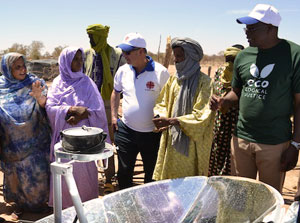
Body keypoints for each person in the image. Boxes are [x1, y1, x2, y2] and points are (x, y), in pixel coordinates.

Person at [210, 4, 300, 192]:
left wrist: (295, 144)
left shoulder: (294, 54)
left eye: (252, 28)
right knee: (240, 197)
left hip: (274, 142)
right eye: (246, 28)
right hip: (241, 138)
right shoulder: (243, 56)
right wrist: (223, 101)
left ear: (271, 28)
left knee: (268, 198)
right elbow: (237, 92)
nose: (246, 32)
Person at [46, 47, 110, 208]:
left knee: (84, 176)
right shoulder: (57, 83)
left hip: (85, 140)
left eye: (81, 59)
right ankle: (66, 212)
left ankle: (86, 211)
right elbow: (50, 108)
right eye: (75, 59)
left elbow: (98, 110)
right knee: (65, 174)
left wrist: (84, 114)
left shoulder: (87, 83)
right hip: (66, 140)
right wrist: (70, 110)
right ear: (65, 61)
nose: (79, 62)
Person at [111, 32, 169, 189]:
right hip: (126, 130)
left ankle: (149, 209)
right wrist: (113, 117)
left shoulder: (161, 72)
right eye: (123, 51)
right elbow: (116, 92)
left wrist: (164, 118)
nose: (124, 55)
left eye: (128, 52)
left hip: (152, 134)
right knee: (123, 173)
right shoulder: (123, 71)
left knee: (151, 175)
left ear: (142, 51)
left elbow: (169, 99)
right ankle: (125, 207)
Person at [152, 37, 215, 180]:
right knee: (170, 184)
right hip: (171, 140)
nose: (175, 60)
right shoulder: (174, 80)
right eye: (174, 56)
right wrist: (159, 116)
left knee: (190, 184)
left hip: (193, 144)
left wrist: (174, 121)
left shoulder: (205, 83)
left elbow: (202, 115)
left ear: (191, 57)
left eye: (179, 56)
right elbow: (162, 102)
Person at [0, 53, 51, 219]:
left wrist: (39, 97)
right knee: (16, 178)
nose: (23, 70)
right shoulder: (1, 87)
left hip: (36, 142)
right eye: (17, 67)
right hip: (10, 144)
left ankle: (41, 208)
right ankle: (19, 206)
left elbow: (46, 105)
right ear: (7, 69)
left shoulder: (35, 83)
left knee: (37, 178)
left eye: (24, 65)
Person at [85, 24, 125, 194]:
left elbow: (123, 79)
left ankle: (109, 178)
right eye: (88, 36)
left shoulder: (116, 54)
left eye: (92, 36)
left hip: (109, 102)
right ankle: (89, 179)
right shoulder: (86, 54)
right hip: (88, 103)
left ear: (100, 37)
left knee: (107, 141)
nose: (89, 40)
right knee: (89, 140)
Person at [208, 44, 244, 176]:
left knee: (234, 159)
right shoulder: (219, 73)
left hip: (237, 125)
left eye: (233, 60)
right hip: (219, 124)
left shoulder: (244, 76)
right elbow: (213, 93)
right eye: (227, 59)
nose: (230, 64)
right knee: (216, 154)